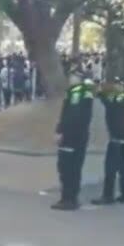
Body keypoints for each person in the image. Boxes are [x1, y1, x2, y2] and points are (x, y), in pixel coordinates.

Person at [51, 69, 95, 211]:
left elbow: (72, 115)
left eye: (72, 76)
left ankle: (68, 199)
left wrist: (62, 132)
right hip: (79, 136)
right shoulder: (84, 92)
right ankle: (71, 197)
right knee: (73, 168)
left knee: (67, 168)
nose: (70, 79)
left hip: (72, 137)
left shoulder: (77, 92)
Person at [92, 78, 124, 205]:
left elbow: (112, 107)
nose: (115, 86)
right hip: (123, 135)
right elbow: (109, 103)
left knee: (110, 167)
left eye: (118, 84)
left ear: (123, 86)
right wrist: (101, 93)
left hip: (117, 136)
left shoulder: (121, 97)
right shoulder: (123, 97)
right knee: (123, 166)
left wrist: (101, 94)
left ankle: (108, 196)